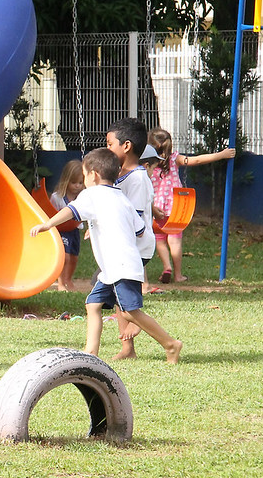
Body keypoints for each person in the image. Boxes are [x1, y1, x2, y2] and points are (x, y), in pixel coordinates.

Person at [30, 148, 183, 364]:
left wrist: (47, 224)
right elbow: (140, 231)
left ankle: (170, 344)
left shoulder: (92, 194)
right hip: (115, 268)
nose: (84, 181)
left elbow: (71, 211)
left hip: (120, 267)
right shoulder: (120, 197)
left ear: (93, 174)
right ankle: (90, 353)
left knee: (130, 312)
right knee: (93, 305)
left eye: (84, 176)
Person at [148, 128, 236, 284]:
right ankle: (178, 275)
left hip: (156, 208)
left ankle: (167, 266)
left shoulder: (148, 165)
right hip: (176, 207)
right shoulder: (174, 159)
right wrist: (221, 155)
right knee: (175, 241)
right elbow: (198, 160)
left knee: (160, 239)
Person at [106, 117, 157, 360]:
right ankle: (128, 349)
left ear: (126, 146)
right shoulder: (119, 175)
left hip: (135, 248)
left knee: (120, 298)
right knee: (118, 297)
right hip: (122, 247)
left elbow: (133, 218)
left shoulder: (137, 179)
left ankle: (140, 321)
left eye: (110, 144)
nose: (107, 149)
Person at [50, 160, 84, 291]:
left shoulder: (82, 197)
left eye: (80, 183)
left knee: (74, 258)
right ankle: (60, 283)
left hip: (74, 230)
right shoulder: (58, 197)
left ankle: (68, 279)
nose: (77, 186)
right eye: (74, 183)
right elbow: (52, 212)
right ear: (66, 181)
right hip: (62, 230)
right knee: (65, 257)